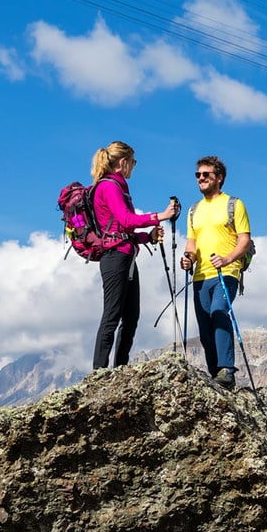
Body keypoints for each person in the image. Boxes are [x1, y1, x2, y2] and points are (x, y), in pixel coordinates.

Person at [89, 141, 179, 370]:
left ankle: (120, 367)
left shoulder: (117, 187)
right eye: (134, 162)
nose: (134, 167)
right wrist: (160, 216)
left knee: (131, 316)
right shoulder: (109, 187)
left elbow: (122, 230)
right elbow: (126, 220)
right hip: (116, 258)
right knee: (112, 314)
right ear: (124, 162)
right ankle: (99, 371)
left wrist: (146, 237)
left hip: (125, 256)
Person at [181, 155, 251, 389]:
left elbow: (244, 240)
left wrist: (228, 259)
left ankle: (226, 370)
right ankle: (216, 375)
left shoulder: (234, 204)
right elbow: (191, 243)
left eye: (206, 175)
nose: (200, 178)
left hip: (227, 271)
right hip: (200, 276)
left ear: (219, 178)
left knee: (219, 312)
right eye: (198, 175)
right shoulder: (193, 211)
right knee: (204, 327)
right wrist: (188, 259)